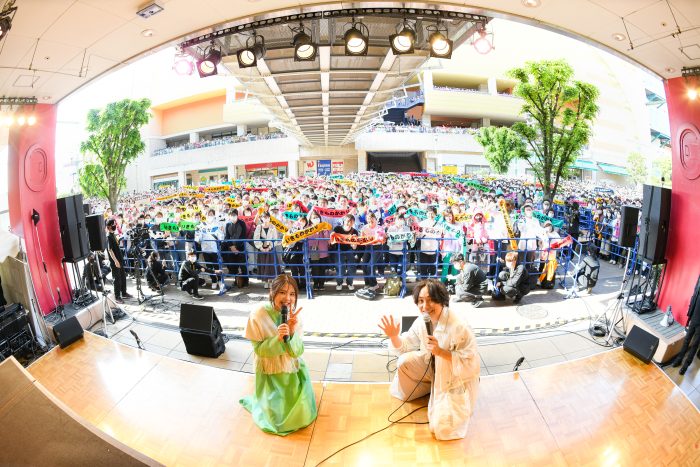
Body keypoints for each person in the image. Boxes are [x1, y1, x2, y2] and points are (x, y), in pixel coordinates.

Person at [377, 279, 480, 440]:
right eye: (421, 301)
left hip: (454, 376)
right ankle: (426, 388)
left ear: (443, 300)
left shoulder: (459, 326)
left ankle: (435, 392)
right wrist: (393, 336)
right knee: (404, 362)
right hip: (431, 367)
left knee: (441, 428)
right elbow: (404, 346)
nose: (425, 306)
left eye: (431, 300)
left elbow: (470, 364)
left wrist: (440, 352)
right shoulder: (422, 321)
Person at [240, 274, 317, 435]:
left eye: (292, 294)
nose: (288, 298)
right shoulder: (258, 314)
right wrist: (279, 339)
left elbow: (297, 351)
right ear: (272, 292)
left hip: (291, 369)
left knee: (302, 412)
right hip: (270, 371)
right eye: (282, 292)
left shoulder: (295, 316)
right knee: (278, 419)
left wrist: (292, 332)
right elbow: (259, 350)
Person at [106, 218, 132, 304]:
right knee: (116, 279)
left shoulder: (113, 235)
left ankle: (124, 293)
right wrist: (115, 261)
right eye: (113, 224)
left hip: (120, 260)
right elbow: (110, 250)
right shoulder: (108, 236)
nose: (115, 226)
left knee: (123, 277)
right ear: (109, 226)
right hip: (115, 262)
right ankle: (117, 297)